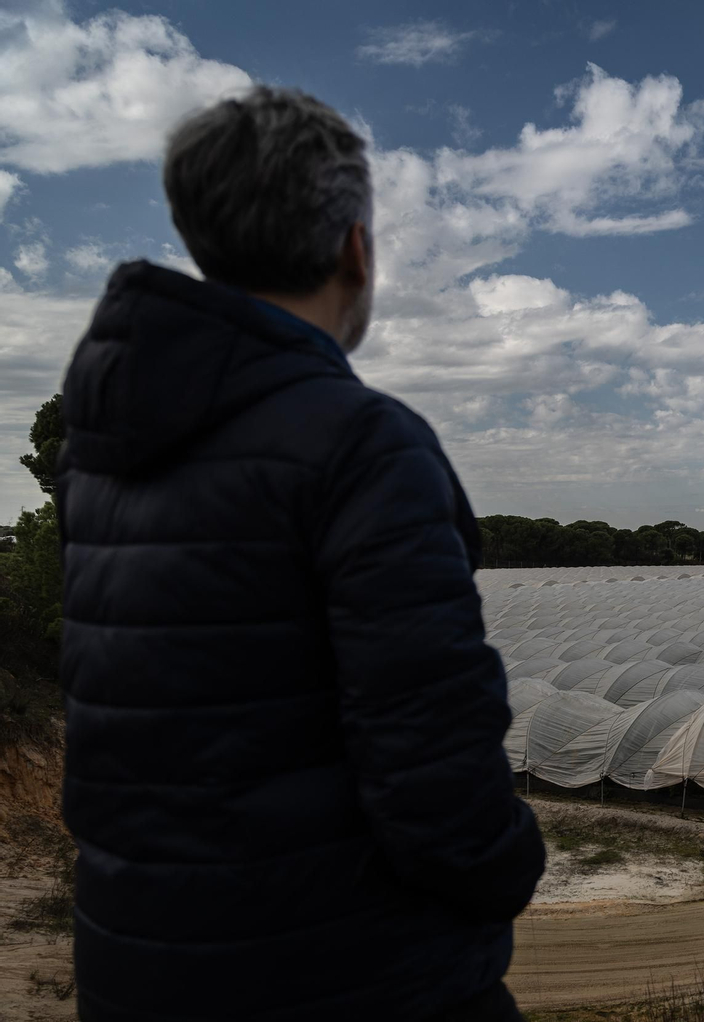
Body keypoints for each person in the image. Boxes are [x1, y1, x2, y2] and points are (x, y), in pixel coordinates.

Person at [55, 86, 544, 1021]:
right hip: (352, 976)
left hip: (137, 970)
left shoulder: (98, 457)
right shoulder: (363, 444)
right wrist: (507, 867)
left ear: (204, 239)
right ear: (354, 249)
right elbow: (434, 758)